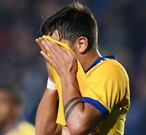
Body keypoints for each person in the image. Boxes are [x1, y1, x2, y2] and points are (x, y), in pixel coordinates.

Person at [35, 1, 130, 135]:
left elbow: (78, 127)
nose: (51, 54)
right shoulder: (71, 78)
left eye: (56, 47)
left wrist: (66, 76)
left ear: (81, 44)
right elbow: (44, 132)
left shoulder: (110, 71)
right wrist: (52, 81)